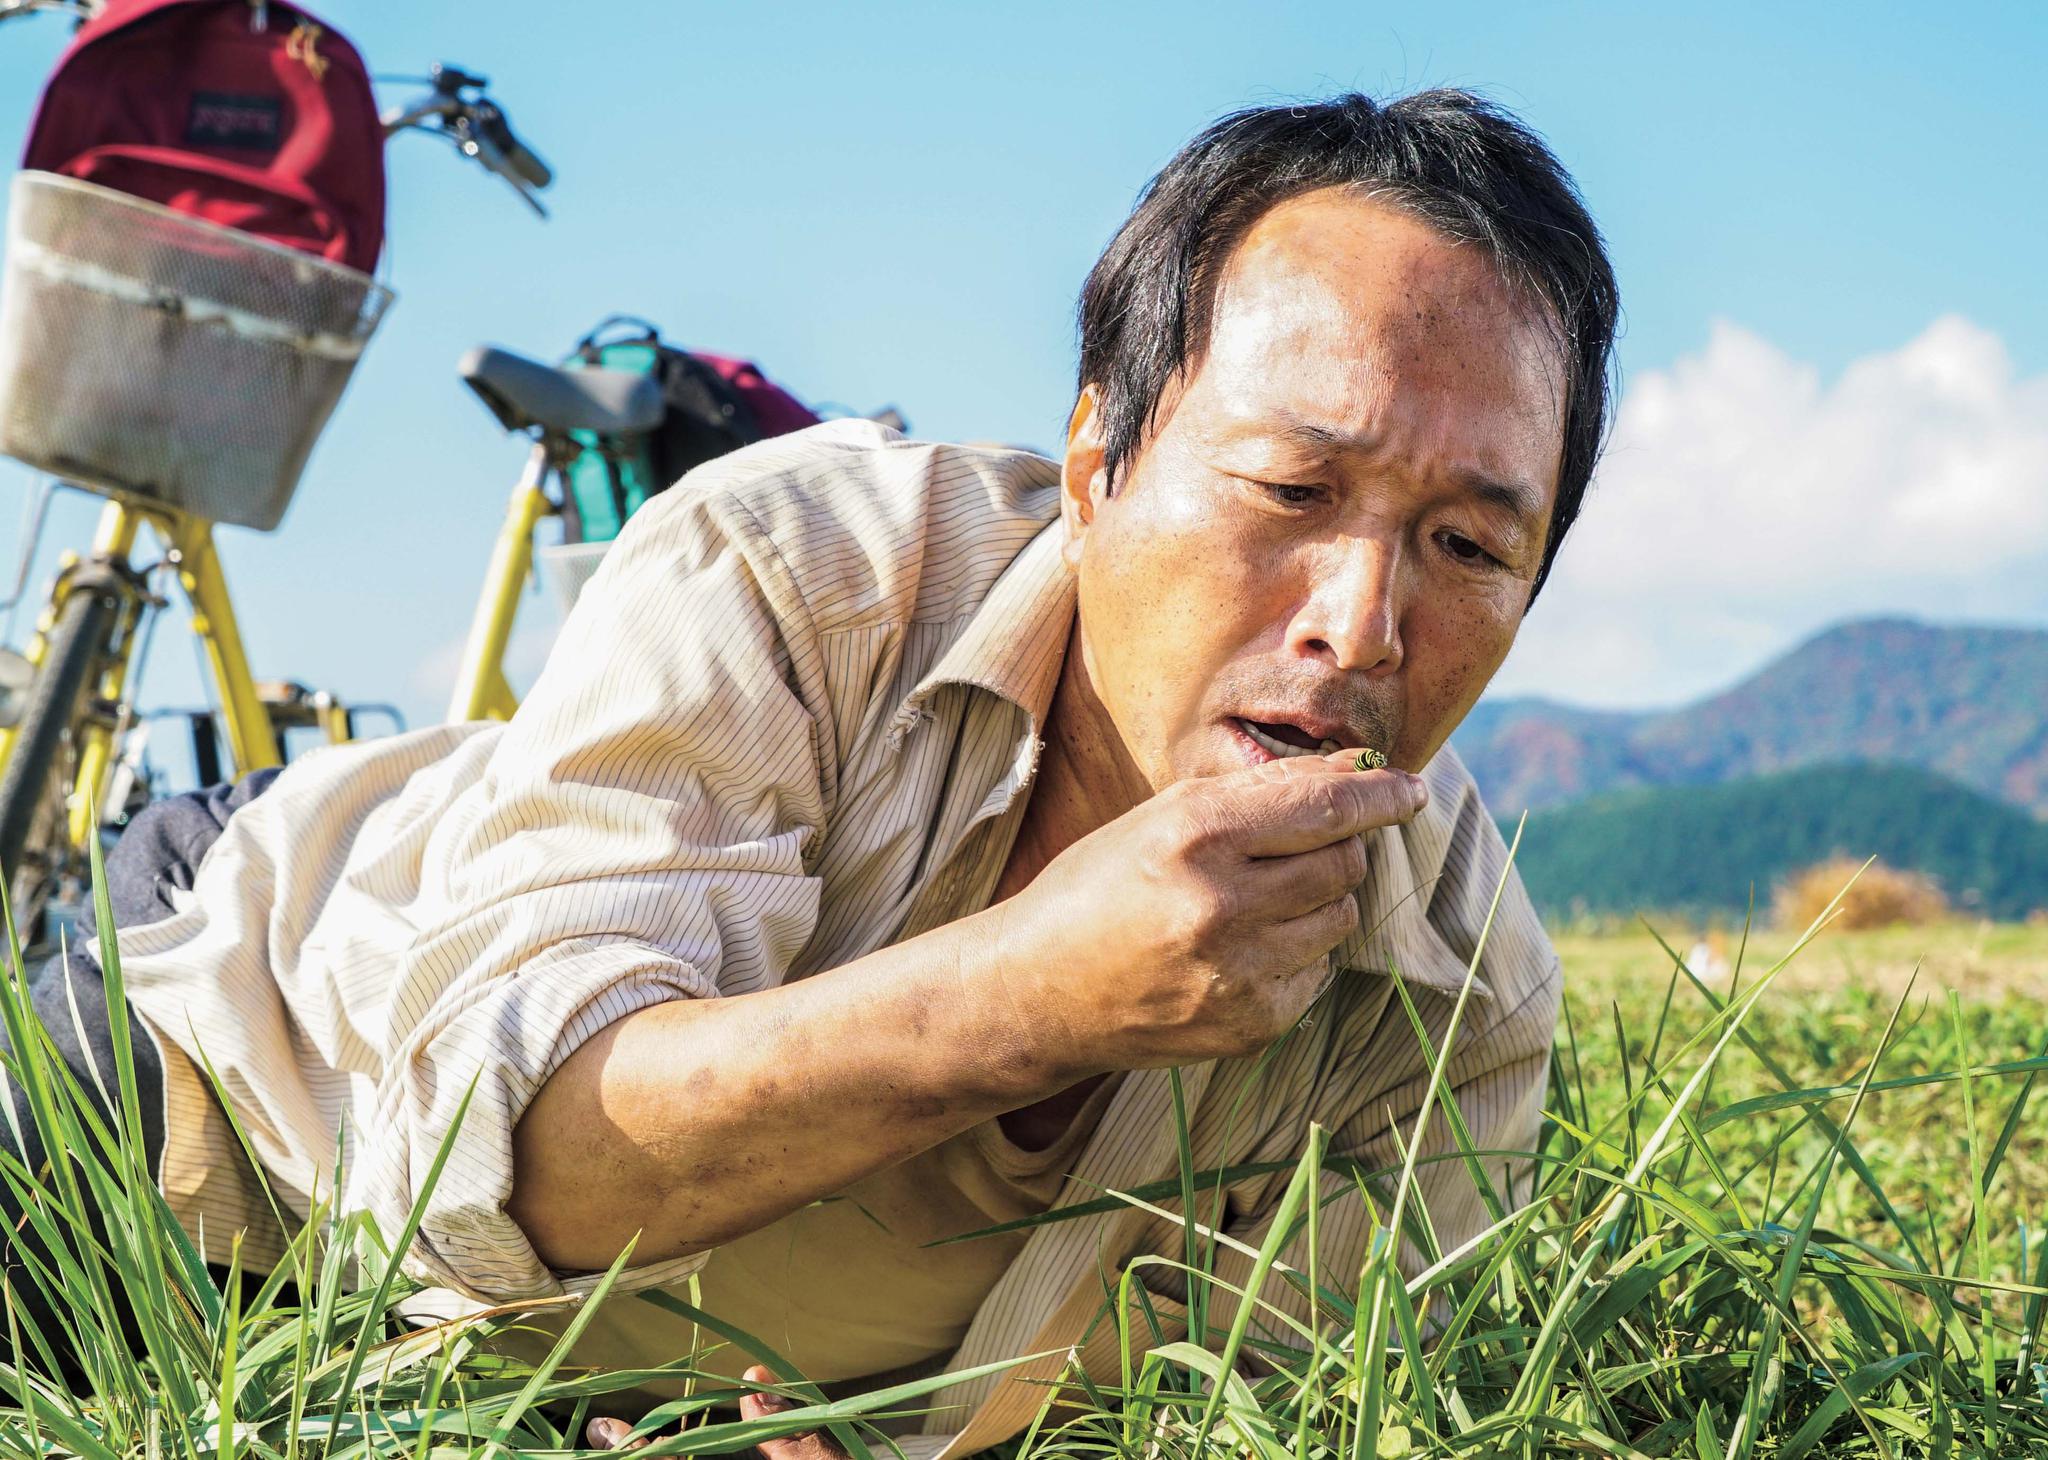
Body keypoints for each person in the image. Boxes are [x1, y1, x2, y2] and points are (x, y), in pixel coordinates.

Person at [1, 88, 1617, 1459]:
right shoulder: (798, 565)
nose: (1362, 626)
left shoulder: (1451, 1005)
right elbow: (495, 1171)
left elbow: (1241, 1412)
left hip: (617, 1375)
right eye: (1289, 485)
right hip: (255, 1065)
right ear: (1097, 464)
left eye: (1470, 545)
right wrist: (1028, 993)